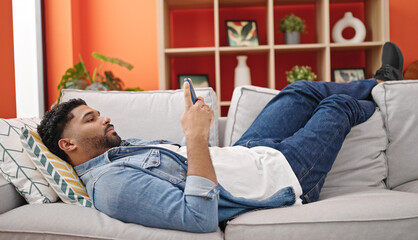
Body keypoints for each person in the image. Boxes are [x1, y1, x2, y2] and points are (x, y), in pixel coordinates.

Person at [37, 42, 403, 233]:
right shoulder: (113, 188)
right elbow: (198, 217)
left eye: (99, 113)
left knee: (300, 90)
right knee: (337, 106)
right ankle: (391, 96)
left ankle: (381, 82)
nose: (105, 118)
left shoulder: (119, 154)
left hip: (248, 153)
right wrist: (196, 137)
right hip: (283, 177)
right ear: (68, 145)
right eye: (91, 119)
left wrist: (195, 125)